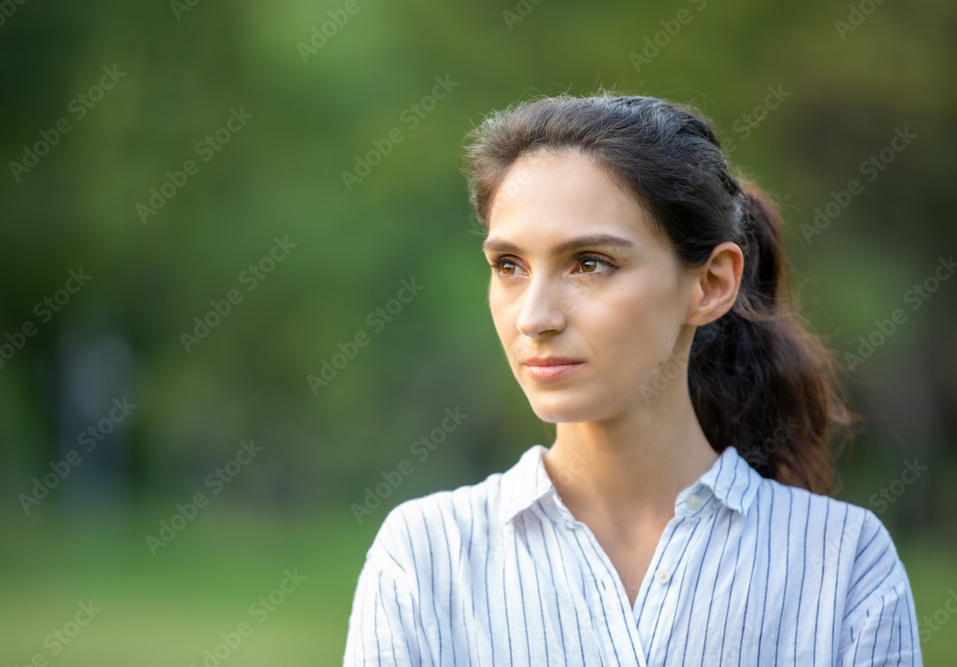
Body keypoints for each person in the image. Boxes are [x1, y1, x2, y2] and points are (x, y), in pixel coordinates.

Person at [343, 92, 922, 666]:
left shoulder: (843, 562)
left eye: (590, 262)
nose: (534, 318)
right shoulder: (425, 556)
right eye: (509, 266)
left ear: (711, 284)